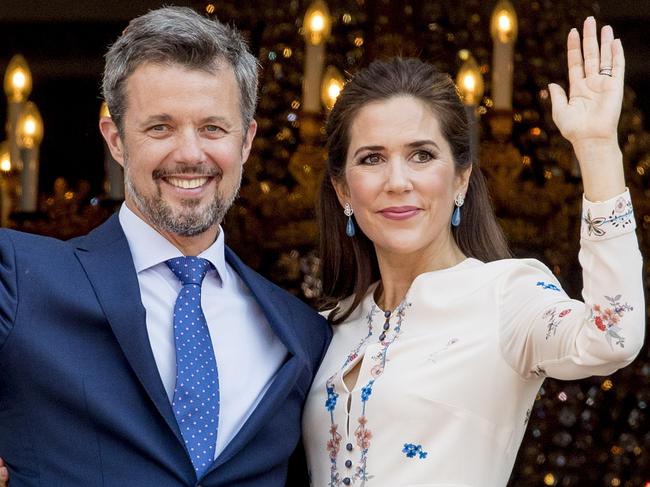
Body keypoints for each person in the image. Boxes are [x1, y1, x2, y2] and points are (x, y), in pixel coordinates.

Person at [302, 17, 644, 486]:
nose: (398, 181)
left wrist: (598, 148)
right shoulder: (330, 325)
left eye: (422, 155)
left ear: (461, 179)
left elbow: (614, 337)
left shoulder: (507, 296)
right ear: (343, 189)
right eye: (372, 158)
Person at [0, 6, 330, 487]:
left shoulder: (301, 334)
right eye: (160, 128)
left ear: (246, 142)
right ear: (116, 141)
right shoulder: (19, 276)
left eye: (213, 128)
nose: (191, 153)